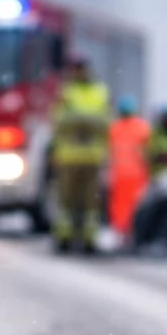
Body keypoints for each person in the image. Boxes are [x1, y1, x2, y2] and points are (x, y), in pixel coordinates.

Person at [51, 56, 110, 254]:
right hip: (68, 158)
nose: (77, 73)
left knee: (90, 203)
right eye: (75, 69)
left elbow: (105, 123)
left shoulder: (99, 92)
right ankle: (65, 238)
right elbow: (57, 121)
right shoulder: (66, 92)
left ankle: (88, 239)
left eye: (80, 69)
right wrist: (85, 123)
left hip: (91, 159)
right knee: (67, 202)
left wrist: (78, 122)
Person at [107, 96, 150, 246]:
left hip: (121, 175)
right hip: (136, 175)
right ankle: (129, 234)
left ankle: (122, 234)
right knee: (133, 205)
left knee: (121, 206)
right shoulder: (141, 127)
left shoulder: (115, 128)